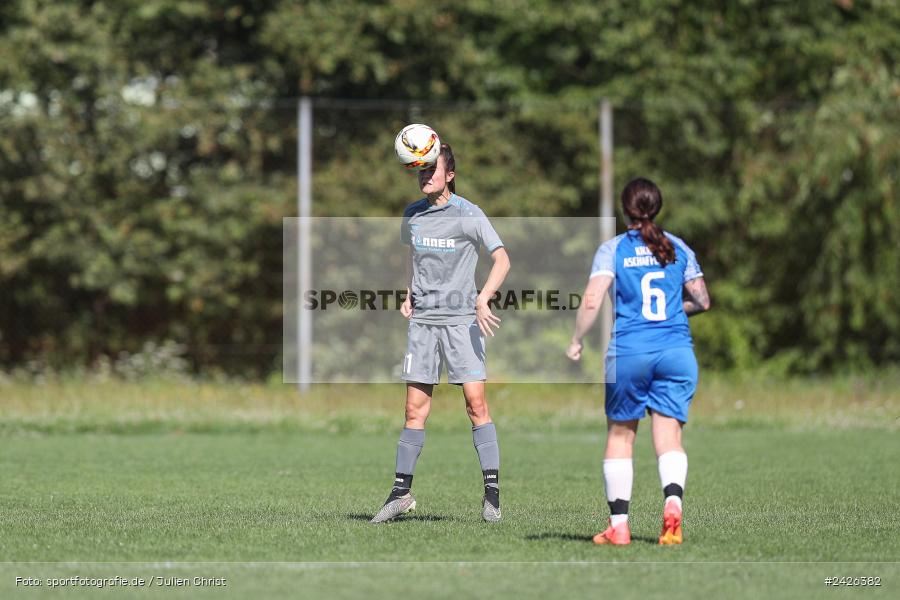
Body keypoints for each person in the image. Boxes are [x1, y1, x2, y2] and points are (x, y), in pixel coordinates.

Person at [371, 142, 511, 524]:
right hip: (423, 324)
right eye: (421, 170)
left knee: (476, 406)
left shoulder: (469, 214)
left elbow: (502, 258)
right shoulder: (412, 215)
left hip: (462, 322)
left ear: (449, 175)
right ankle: (400, 494)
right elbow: (410, 256)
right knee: (414, 410)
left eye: (432, 169)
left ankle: (492, 496)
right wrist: (407, 292)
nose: (425, 175)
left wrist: (483, 298)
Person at [566, 177, 710, 545]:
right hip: (677, 352)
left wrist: (577, 339)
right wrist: (674, 311)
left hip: (630, 352)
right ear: (657, 206)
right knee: (668, 435)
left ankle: (619, 527)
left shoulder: (613, 249)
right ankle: (673, 506)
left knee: (620, 435)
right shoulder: (677, 247)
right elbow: (702, 300)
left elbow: (593, 300)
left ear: (625, 209)